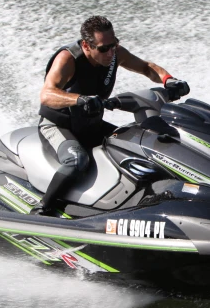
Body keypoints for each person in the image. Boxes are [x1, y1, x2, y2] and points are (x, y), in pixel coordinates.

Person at [33, 15, 189, 215]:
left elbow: (145, 67)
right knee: (77, 161)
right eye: (103, 49)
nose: (110, 52)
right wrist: (79, 99)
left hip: (90, 126)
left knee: (140, 146)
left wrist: (168, 80)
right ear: (86, 46)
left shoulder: (115, 54)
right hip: (58, 126)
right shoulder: (68, 59)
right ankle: (42, 208)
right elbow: (46, 94)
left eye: (113, 45)